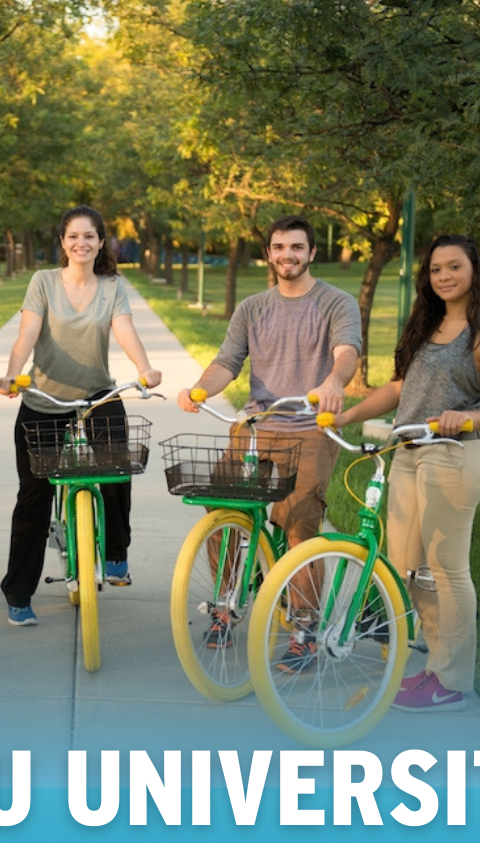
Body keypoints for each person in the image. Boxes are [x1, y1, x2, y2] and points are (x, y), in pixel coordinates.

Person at [332, 234, 480, 712]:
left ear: (474, 269)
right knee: (411, 568)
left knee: (445, 569)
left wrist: (465, 417)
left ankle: (452, 679)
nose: (445, 277)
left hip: (456, 455)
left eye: (454, 267)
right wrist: (348, 416)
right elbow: (399, 387)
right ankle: (435, 664)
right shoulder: (425, 324)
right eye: (436, 270)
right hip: (409, 451)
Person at [177, 214, 362, 661]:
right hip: (258, 424)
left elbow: (347, 351)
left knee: (299, 522)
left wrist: (335, 381)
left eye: (297, 247)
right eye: (279, 247)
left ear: (312, 253)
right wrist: (201, 387)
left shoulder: (336, 302)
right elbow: (227, 360)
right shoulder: (253, 307)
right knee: (223, 508)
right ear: (270, 254)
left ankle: (304, 627)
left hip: (309, 428)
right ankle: (226, 605)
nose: (287, 255)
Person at [0, 205, 162, 627]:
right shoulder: (43, 282)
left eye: (89, 236)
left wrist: (144, 369)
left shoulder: (111, 286)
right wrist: (13, 374)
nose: (81, 243)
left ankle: (115, 553)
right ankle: (18, 594)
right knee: (34, 497)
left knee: (118, 469)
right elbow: (27, 333)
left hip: (98, 393)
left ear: (101, 242)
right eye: (73, 236)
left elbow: (124, 329)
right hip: (44, 396)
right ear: (63, 242)